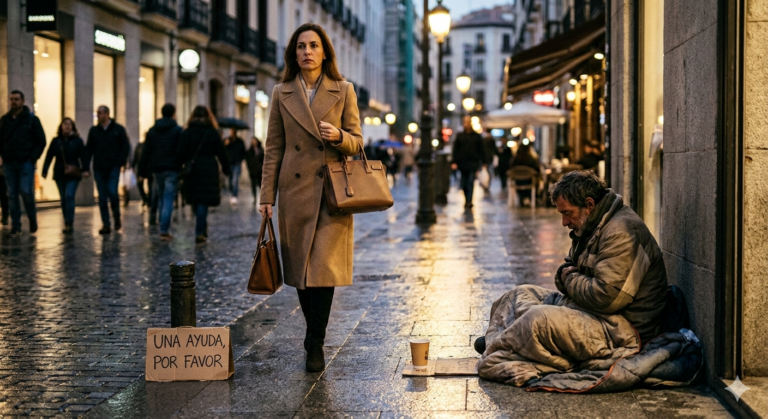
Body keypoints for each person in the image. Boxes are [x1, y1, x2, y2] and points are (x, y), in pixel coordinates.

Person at [475, 171, 669, 385]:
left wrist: (569, 278)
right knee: (518, 294)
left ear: (589, 204)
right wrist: (569, 277)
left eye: (568, 213)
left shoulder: (621, 232)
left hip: (620, 330)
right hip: (587, 309)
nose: (564, 222)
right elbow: (566, 270)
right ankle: (503, 343)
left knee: (538, 320)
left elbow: (607, 297)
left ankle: (499, 346)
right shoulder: (589, 225)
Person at [259, 23, 363, 372]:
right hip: (295, 191)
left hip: (331, 194)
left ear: (324, 52)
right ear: (294, 53)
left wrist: (338, 136)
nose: (307, 52)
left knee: (323, 270)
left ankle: (315, 341)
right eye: (301, 46)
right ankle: (312, 332)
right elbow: (273, 148)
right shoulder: (281, 92)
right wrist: (266, 196)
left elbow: (358, 142)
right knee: (302, 272)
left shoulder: (343, 90)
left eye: (313, 45)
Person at [178, 106, 230, 243]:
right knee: (203, 202)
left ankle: (200, 228)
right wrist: (226, 168)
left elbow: (180, 153)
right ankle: (200, 230)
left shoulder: (187, 132)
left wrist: (179, 168)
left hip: (192, 170)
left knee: (196, 200)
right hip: (208, 169)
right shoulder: (212, 132)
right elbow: (221, 152)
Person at [0, 90, 46, 237]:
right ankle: (16, 225)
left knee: (25, 191)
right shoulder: (5, 120)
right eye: (11, 99)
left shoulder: (32, 120)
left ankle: (32, 218)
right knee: (12, 194)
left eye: (16, 99)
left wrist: (32, 158)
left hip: (26, 162)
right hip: (9, 163)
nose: (13, 102)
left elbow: (41, 141)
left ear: (23, 101)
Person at [139, 103, 183, 241]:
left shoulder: (153, 130)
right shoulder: (177, 130)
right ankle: (164, 230)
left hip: (157, 169)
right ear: (173, 114)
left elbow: (146, 151)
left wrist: (142, 170)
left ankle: (161, 222)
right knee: (168, 198)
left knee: (161, 197)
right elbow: (181, 150)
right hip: (171, 168)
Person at [41, 118, 91, 233]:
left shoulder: (78, 141)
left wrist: (85, 169)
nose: (67, 126)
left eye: (70, 124)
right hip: (59, 173)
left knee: (69, 195)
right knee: (63, 199)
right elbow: (49, 156)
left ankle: (70, 222)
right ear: (61, 126)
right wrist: (45, 170)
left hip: (73, 173)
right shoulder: (56, 141)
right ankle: (67, 222)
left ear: (73, 127)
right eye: (65, 124)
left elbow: (83, 156)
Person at [87, 105, 130, 235]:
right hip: (99, 168)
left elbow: (125, 147)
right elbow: (89, 149)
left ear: (107, 114)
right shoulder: (94, 131)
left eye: (99, 113)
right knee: (102, 196)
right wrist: (85, 167)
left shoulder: (118, 129)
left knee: (112, 192)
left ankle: (116, 217)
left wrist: (120, 162)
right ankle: (106, 223)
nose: (98, 116)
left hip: (113, 167)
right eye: (97, 113)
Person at [450, 115, 486, 209]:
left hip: (473, 162)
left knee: (471, 181)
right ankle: (467, 199)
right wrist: (454, 162)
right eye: (465, 122)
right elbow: (455, 149)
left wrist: (483, 161)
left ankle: (469, 201)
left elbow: (481, 149)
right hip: (462, 163)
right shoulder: (460, 136)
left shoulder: (476, 136)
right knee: (464, 183)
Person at [224, 129, 246, 205]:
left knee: (235, 179)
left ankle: (234, 195)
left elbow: (243, 152)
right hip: (229, 163)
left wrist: (240, 159)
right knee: (230, 180)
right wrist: (226, 144)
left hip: (237, 163)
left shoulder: (240, 142)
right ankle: (232, 191)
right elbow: (223, 150)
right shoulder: (227, 140)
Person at [244, 137, 264, 207]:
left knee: (260, 184)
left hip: (259, 170)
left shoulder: (261, 150)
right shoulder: (249, 151)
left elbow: (263, 159)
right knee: (253, 185)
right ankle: (255, 197)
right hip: (252, 170)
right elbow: (248, 160)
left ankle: (261, 197)